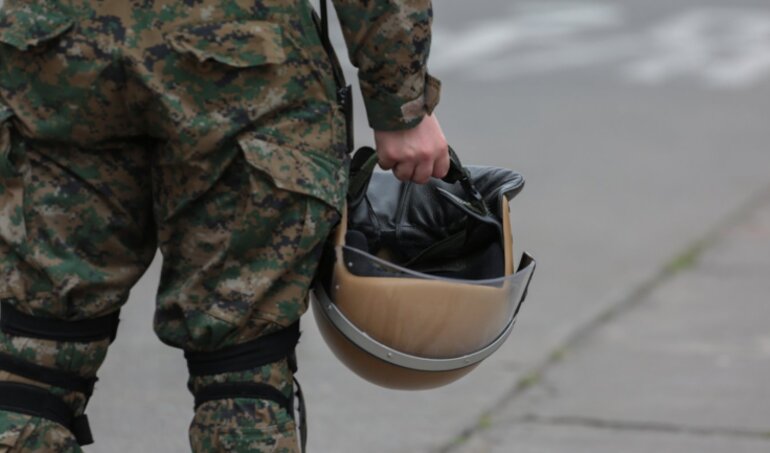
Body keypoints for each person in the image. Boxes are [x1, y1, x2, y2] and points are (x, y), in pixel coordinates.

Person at [0, 0, 448, 451]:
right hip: (239, 59)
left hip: (54, 48)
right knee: (240, 360)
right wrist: (401, 105)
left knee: (30, 357)